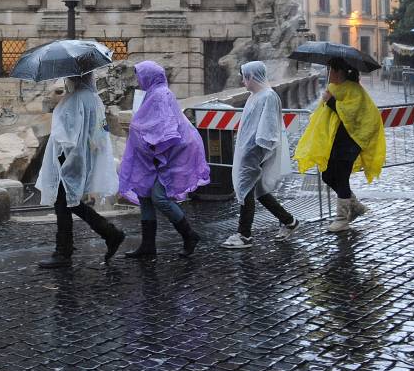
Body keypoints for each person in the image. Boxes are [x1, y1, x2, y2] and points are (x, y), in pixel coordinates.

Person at [116, 61, 210, 259]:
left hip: (170, 153)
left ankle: (189, 235)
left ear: (149, 76)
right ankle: (148, 246)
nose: (138, 80)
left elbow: (166, 127)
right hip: (155, 154)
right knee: (145, 194)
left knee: (159, 197)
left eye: (140, 75)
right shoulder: (154, 93)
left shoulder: (160, 95)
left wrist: (153, 146)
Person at [35, 71, 124, 268]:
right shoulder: (93, 99)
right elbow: (99, 133)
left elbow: (66, 136)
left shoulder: (74, 100)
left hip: (68, 160)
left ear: (74, 77)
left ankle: (64, 252)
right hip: (82, 158)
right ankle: (108, 234)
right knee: (69, 203)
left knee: (63, 203)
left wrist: (61, 159)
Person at [294, 58, 386, 232]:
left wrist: (330, 101)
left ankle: (342, 218)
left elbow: (350, 115)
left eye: (330, 70)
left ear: (339, 71)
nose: (328, 73)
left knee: (341, 177)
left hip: (351, 141)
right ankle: (355, 205)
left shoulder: (354, 90)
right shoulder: (333, 88)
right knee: (327, 175)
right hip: (336, 141)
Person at [221, 61, 299, 248]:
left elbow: (268, 128)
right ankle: (289, 221)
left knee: (247, 188)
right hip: (250, 151)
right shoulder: (256, 96)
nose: (242, 81)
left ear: (252, 76)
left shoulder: (268, 96)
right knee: (259, 191)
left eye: (244, 77)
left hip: (255, 152)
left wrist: (255, 151)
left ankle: (244, 235)